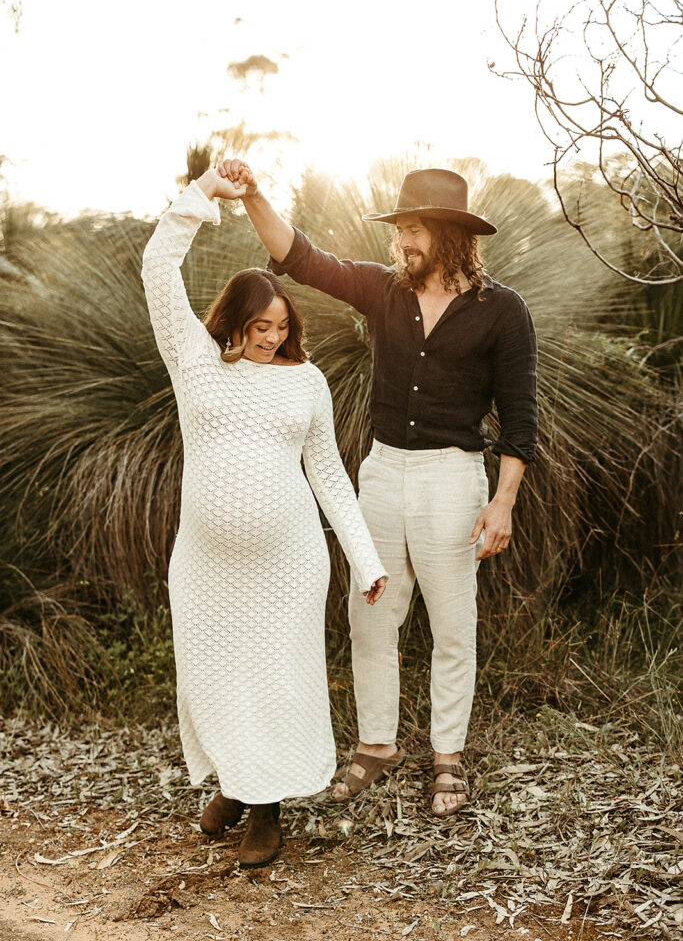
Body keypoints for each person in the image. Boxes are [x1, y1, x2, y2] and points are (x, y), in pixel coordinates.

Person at [219, 159, 538, 817]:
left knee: (452, 624)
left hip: (453, 477)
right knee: (371, 614)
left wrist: (502, 500)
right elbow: (299, 257)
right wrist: (253, 196)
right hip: (382, 472)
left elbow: (520, 414)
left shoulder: (502, 311)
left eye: (414, 231)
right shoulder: (382, 290)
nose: (402, 243)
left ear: (450, 236)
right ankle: (376, 746)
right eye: (399, 231)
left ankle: (446, 758)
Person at [141, 167, 386, 868]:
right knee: (214, 674)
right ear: (233, 320)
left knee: (277, 677)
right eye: (260, 327)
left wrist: (364, 558)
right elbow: (158, 266)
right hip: (207, 563)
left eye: (282, 328)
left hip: (289, 561)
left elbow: (329, 476)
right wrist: (205, 194)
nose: (272, 339)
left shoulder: (305, 382)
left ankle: (264, 812)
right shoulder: (193, 359)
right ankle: (234, 783)